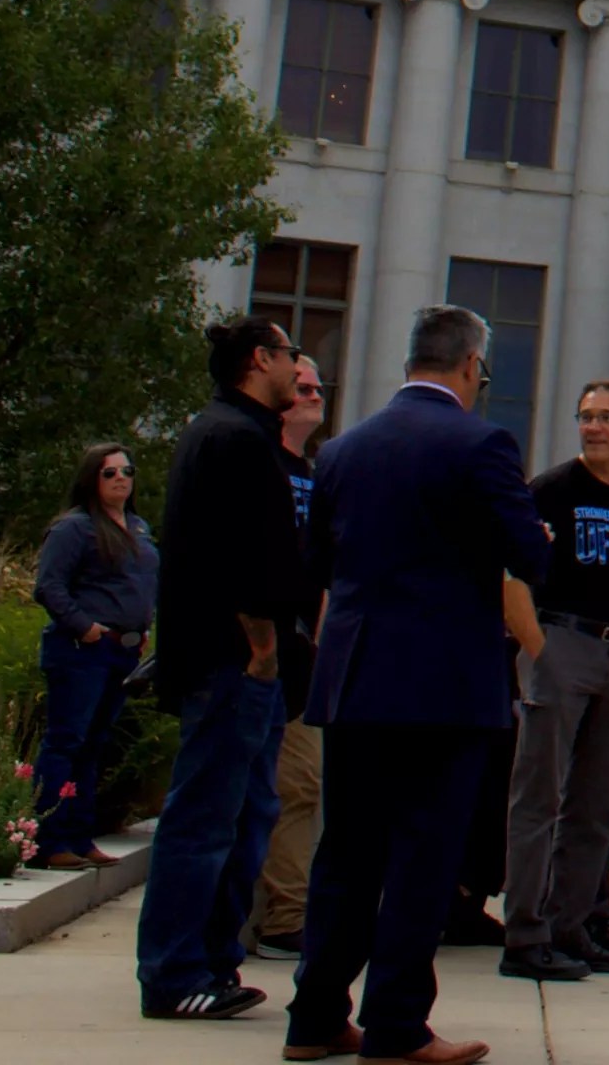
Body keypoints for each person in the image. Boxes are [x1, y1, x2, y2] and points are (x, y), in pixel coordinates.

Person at [286, 303, 552, 1065]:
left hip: (358, 672)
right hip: (441, 681)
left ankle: (314, 1019)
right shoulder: (481, 444)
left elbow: (316, 567)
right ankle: (397, 1027)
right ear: (471, 367)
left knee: (346, 854)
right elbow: (529, 563)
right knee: (423, 856)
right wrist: (533, 539)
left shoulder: (341, 450)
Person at [134, 314, 303, 1024]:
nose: (300, 366)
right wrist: (262, 650)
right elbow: (240, 561)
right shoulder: (232, 439)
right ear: (259, 360)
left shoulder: (237, 434)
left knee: (243, 816)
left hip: (242, 668)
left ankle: (210, 961)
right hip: (231, 664)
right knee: (205, 820)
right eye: (291, 354)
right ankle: (175, 975)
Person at [500, 378, 609, 981]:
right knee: (538, 796)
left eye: (606, 417)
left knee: (598, 805)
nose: (593, 427)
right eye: (585, 416)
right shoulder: (549, 490)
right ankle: (525, 935)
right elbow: (512, 578)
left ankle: (571, 928)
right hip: (562, 642)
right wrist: (540, 651)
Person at [31, 441, 158, 871]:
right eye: (110, 473)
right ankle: (50, 840)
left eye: (127, 471)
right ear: (91, 479)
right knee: (67, 742)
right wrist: (84, 626)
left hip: (123, 652)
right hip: (80, 651)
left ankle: (81, 837)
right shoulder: (75, 528)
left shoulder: (138, 528)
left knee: (94, 747)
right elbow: (49, 586)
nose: (121, 478)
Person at [252, 353, 330, 957]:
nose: (312, 394)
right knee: (249, 787)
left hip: (304, 656)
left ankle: (286, 917)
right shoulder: (256, 459)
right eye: (301, 385)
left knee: (302, 786)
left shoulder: (314, 469)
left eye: (317, 387)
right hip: (254, 651)